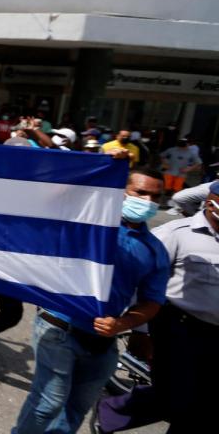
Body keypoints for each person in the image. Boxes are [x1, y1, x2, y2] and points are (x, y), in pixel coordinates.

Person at [13, 169, 169, 434]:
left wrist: (123, 323)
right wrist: (103, 169)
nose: (147, 202)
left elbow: (151, 302)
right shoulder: (89, 224)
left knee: (76, 409)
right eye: (140, 193)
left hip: (103, 342)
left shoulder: (155, 250)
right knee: (48, 403)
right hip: (59, 327)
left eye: (155, 196)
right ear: (122, 191)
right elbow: (51, 201)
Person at [94, 181, 219, 433]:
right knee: (177, 400)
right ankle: (111, 412)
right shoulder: (177, 233)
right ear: (211, 201)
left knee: (205, 405)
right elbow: (143, 283)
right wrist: (139, 330)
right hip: (180, 328)